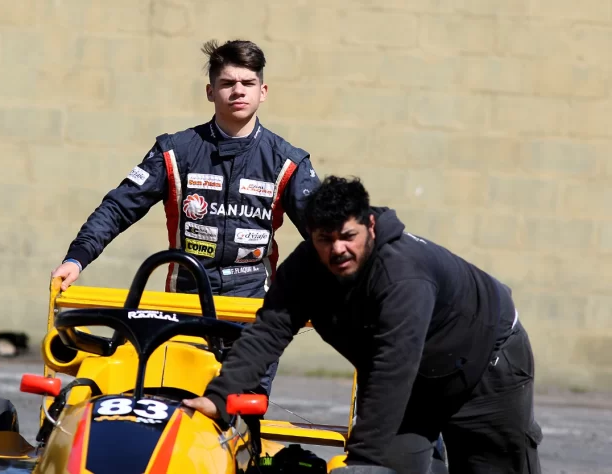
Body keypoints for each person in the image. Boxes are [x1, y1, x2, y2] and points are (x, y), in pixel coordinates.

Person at [183, 176, 543, 474]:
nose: (337, 249)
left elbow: (394, 365)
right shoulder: (305, 268)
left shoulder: (401, 273)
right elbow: (267, 332)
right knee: (393, 466)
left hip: (485, 363)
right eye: (325, 239)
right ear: (311, 236)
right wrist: (220, 397)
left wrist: (364, 459)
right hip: (414, 378)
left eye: (347, 236)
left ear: (370, 225)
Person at [51, 39, 321, 397]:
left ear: (263, 91)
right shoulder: (175, 151)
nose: (238, 91)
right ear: (210, 91)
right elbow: (118, 207)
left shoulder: (288, 161)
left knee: (240, 411)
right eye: (227, 83)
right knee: (176, 407)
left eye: (248, 83)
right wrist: (77, 258)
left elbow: (325, 233)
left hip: (253, 311)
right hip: (184, 305)